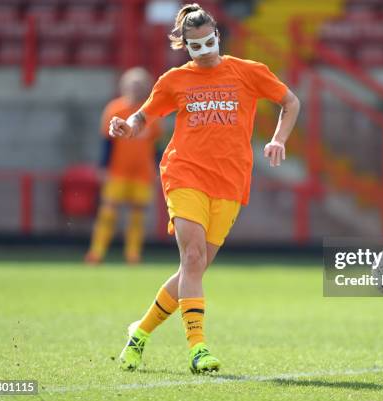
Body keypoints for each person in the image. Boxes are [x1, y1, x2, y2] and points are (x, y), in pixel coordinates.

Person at [112, 3, 300, 374]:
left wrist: (279, 139)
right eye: (195, 47)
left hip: (230, 181)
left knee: (192, 269)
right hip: (185, 173)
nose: (205, 52)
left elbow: (290, 102)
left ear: (218, 36)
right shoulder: (175, 80)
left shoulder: (248, 72)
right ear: (185, 46)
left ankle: (139, 333)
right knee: (193, 258)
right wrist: (128, 127)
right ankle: (198, 349)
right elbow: (144, 115)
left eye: (209, 42)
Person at [85, 67, 163, 266]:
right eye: (132, 84)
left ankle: (133, 255)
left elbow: (155, 145)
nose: (135, 88)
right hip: (117, 171)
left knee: (137, 215)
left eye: (140, 84)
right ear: (124, 85)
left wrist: (158, 168)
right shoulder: (115, 109)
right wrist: (103, 167)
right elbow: (107, 142)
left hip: (142, 173)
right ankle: (96, 252)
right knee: (108, 212)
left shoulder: (150, 113)